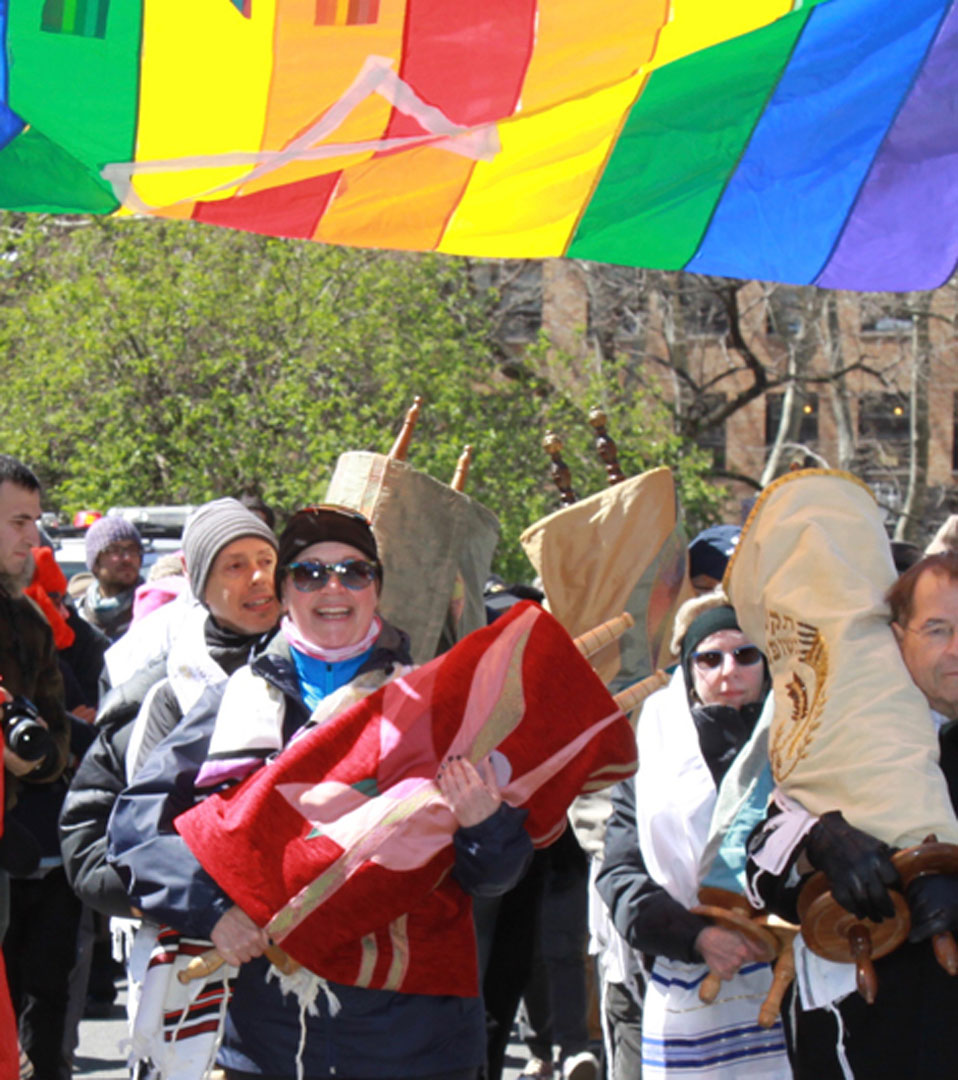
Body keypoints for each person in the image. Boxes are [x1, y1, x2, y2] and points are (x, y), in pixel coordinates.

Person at [108, 504, 533, 1080]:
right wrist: (213, 911)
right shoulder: (234, 704)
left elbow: (495, 876)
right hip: (273, 1039)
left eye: (353, 571)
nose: (332, 587)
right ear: (284, 590)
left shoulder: (439, 706)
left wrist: (484, 822)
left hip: (417, 1040)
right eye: (309, 573)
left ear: (377, 588)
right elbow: (136, 829)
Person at [746, 551, 958, 1078]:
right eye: (938, 629)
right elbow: (755, 867)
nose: (957, 649)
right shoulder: (833, 736)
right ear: (894, 637)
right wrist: (818, 839)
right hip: (860, 1040)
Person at [596, 593, 789, 1079]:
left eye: (746, 655)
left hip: (791, 980)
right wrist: (697, 936)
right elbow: (620, 873)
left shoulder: (801, 738)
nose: (729, 671)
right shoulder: (650, 752)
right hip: (684, 972)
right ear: (689, 668)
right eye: (710, 658)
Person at [77, 516, 145, 641]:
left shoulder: (153, 611)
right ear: (95, 563)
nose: (127, 558)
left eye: (133, 549)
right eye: (114, 550)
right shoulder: (78, 615)